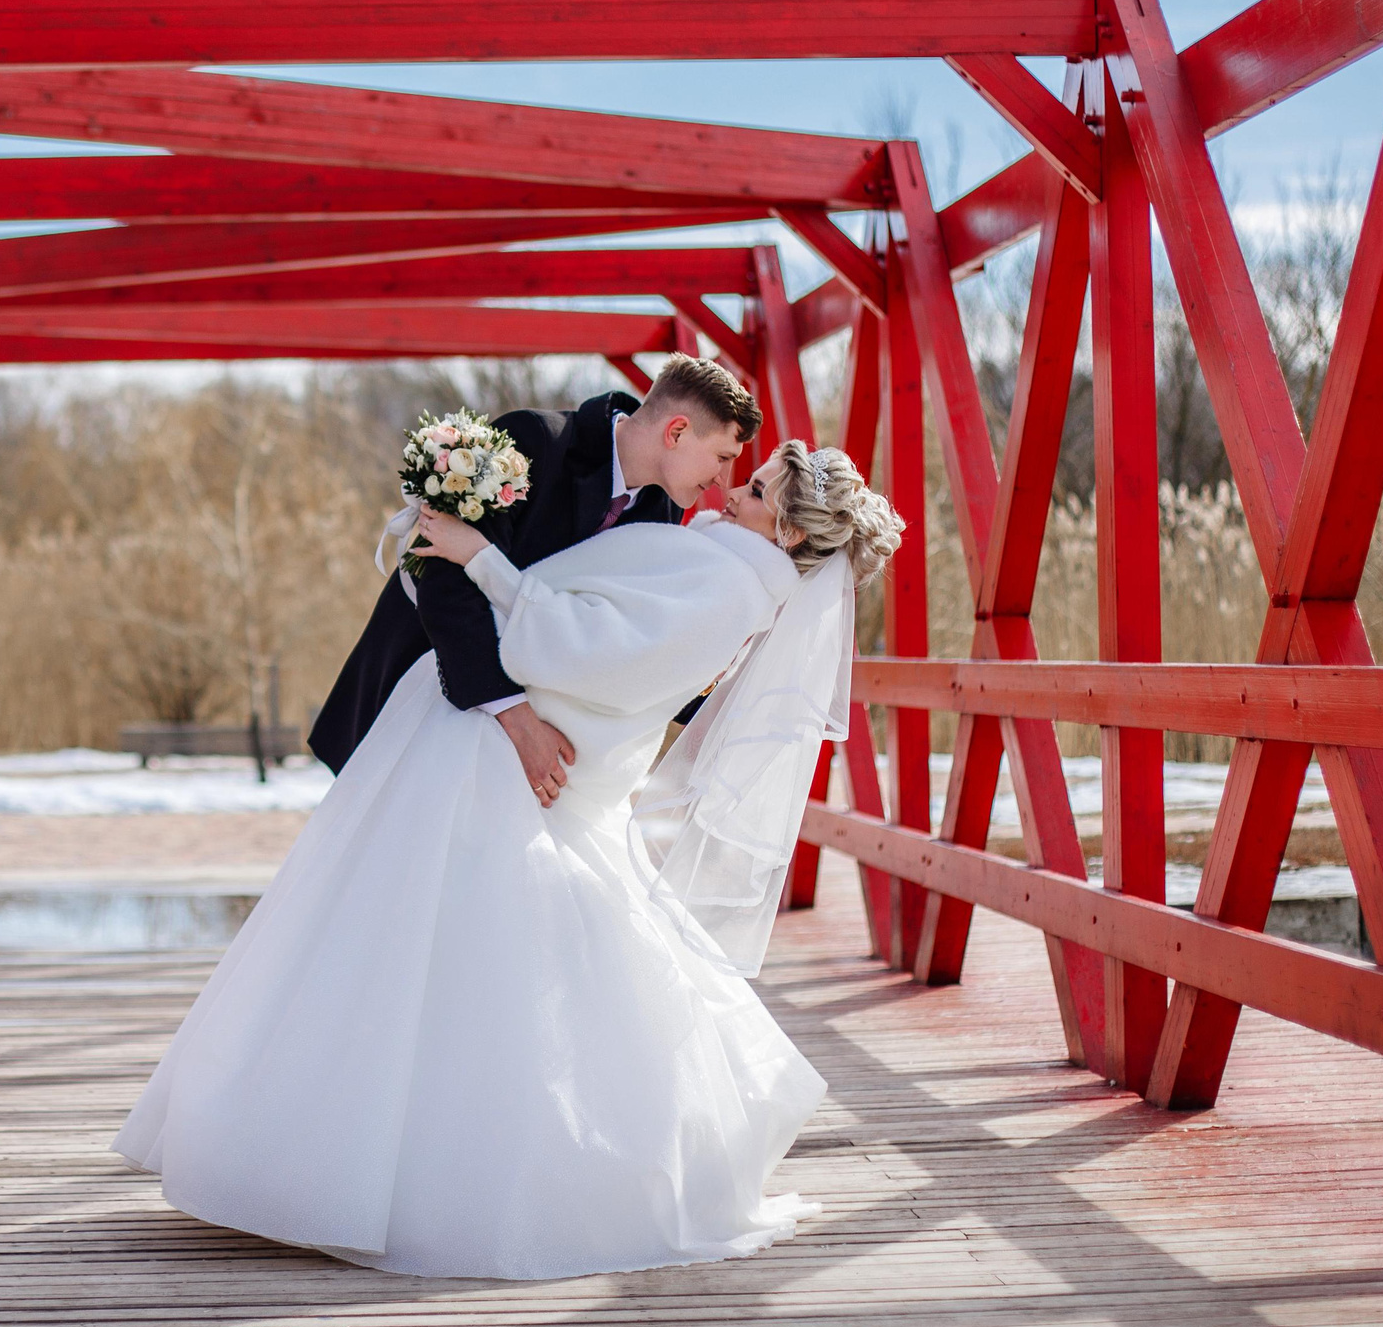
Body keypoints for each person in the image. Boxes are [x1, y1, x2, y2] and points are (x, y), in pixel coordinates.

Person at [115, 439, 907, 1280]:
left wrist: (480, 556)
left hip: (501, 765)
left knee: (429, 959)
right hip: (489, 748)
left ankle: (370, 1168)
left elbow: (573, 648)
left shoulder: (725, 585)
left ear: (785, 533)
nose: (728, 489)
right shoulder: (724, 566)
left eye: (752, 489)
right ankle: (333, 1155)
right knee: (413, 954)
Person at [306, 358, 759, 808]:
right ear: (676, 432)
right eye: (722, 457)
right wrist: (516, 716)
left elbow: (616, 636)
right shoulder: (535, 441)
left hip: (518, 746)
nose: (723, 479)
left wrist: (706, 684)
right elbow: (443, 579)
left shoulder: (662, 512)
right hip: (422, 674)